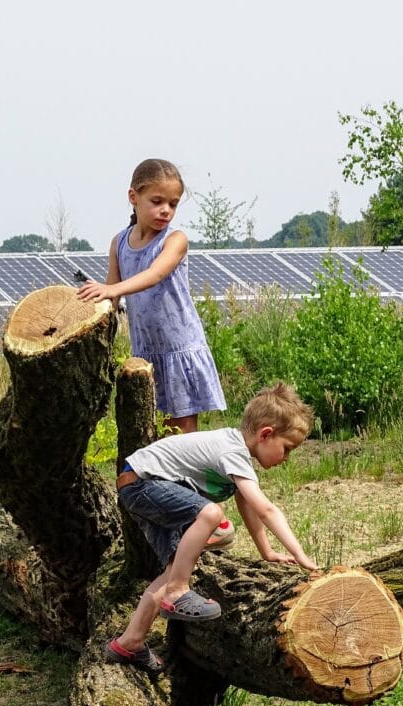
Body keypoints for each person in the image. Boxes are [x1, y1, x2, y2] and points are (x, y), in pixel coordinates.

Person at [103, 382, 319, 673]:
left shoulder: (237, 456)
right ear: (266, 434)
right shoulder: (232, 450)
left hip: (139, 486)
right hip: (144, 483)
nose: (286, 459)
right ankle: (179, 592)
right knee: (211, 514)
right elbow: (266, 509)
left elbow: (249, 508)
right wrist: (303, 557)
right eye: (287, 449)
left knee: (173, 566)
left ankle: (130, 641)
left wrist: (267, 552)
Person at [76, 158, 233, 549]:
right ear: (134, 197)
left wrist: (113, 290)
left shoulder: (174, 240)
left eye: (173, 203)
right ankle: (175, 520)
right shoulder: (119, 243)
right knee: (152, 441)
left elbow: (156, 275)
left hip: (179, 352)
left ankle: (212, 524)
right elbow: (111, 297)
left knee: (184, 441)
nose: (165, 211)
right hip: (146, 359)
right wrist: (91, 309)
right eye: (157, 201)